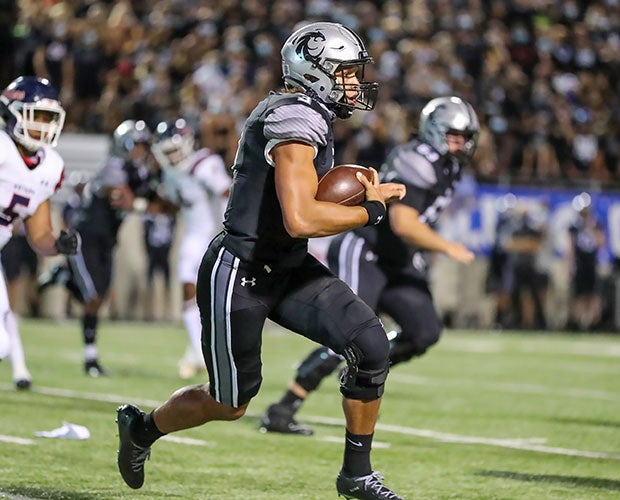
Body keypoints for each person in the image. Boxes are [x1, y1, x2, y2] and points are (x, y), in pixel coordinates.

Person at [116, 21, 407, 500]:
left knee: (372, 346)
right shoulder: (294, 117)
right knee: (230, 402)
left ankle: (356, 475)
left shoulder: (311, 113)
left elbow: (302, 215)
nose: (354, 82)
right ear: (316, 72)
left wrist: (354, 200)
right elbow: (299, 218)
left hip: (287, 267)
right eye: (346, 72)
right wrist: (368, 210)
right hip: (242, 270)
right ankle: (142, 429)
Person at [260, 96, 480, 436]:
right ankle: (283, 407)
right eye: (455, 135)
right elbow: (404, 223)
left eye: (466, 136)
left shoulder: (448, 163)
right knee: (346, 333)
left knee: (424, 332)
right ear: (435, 131)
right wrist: (447, 247)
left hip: (396, 259)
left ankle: (362, 366)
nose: (462, 143)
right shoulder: (416, 160)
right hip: (365, 250)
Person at [41, 119, 160, 376]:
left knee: (99, 299)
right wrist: (148, 201)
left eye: (143, 146)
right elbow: (123, 198)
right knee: (93, 297)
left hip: (106, 240)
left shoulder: (137, 171)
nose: (140, 151)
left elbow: (148, 196)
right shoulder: (114, 167)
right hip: (85, 237)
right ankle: (90, 358)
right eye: (136, 145)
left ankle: (64, 279)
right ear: (123, 145)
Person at [0, 76, 80, 389]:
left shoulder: (50, 167)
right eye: (37, 116)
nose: (44, 125)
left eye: (49, 118)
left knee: (3, 345)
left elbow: (39, 235)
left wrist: (58, 243)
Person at [150, 118, 231, 377]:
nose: (172, 156)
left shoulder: (205, 163)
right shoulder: (170, 174)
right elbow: (175, 205)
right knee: (187, 286)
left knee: (219, 300)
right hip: (194, 235)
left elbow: (229, 193)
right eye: (167, 152)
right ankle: (198, 351)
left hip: (218, 233)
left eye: (174, 149)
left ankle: (208, 350)